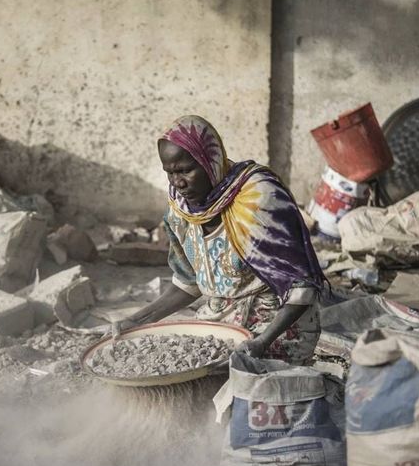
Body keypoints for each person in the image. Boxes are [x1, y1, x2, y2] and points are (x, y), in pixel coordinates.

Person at [112, 115, 327, 365]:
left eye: (185, 171)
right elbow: (188, 282)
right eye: (170, 173)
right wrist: (135, 321)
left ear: (210, 160)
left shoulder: (259, 200)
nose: (177, 183)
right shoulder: (181, 212)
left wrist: (261, 341)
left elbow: (302, 287)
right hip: (219, 320)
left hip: (276, 325)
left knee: (242, 386)